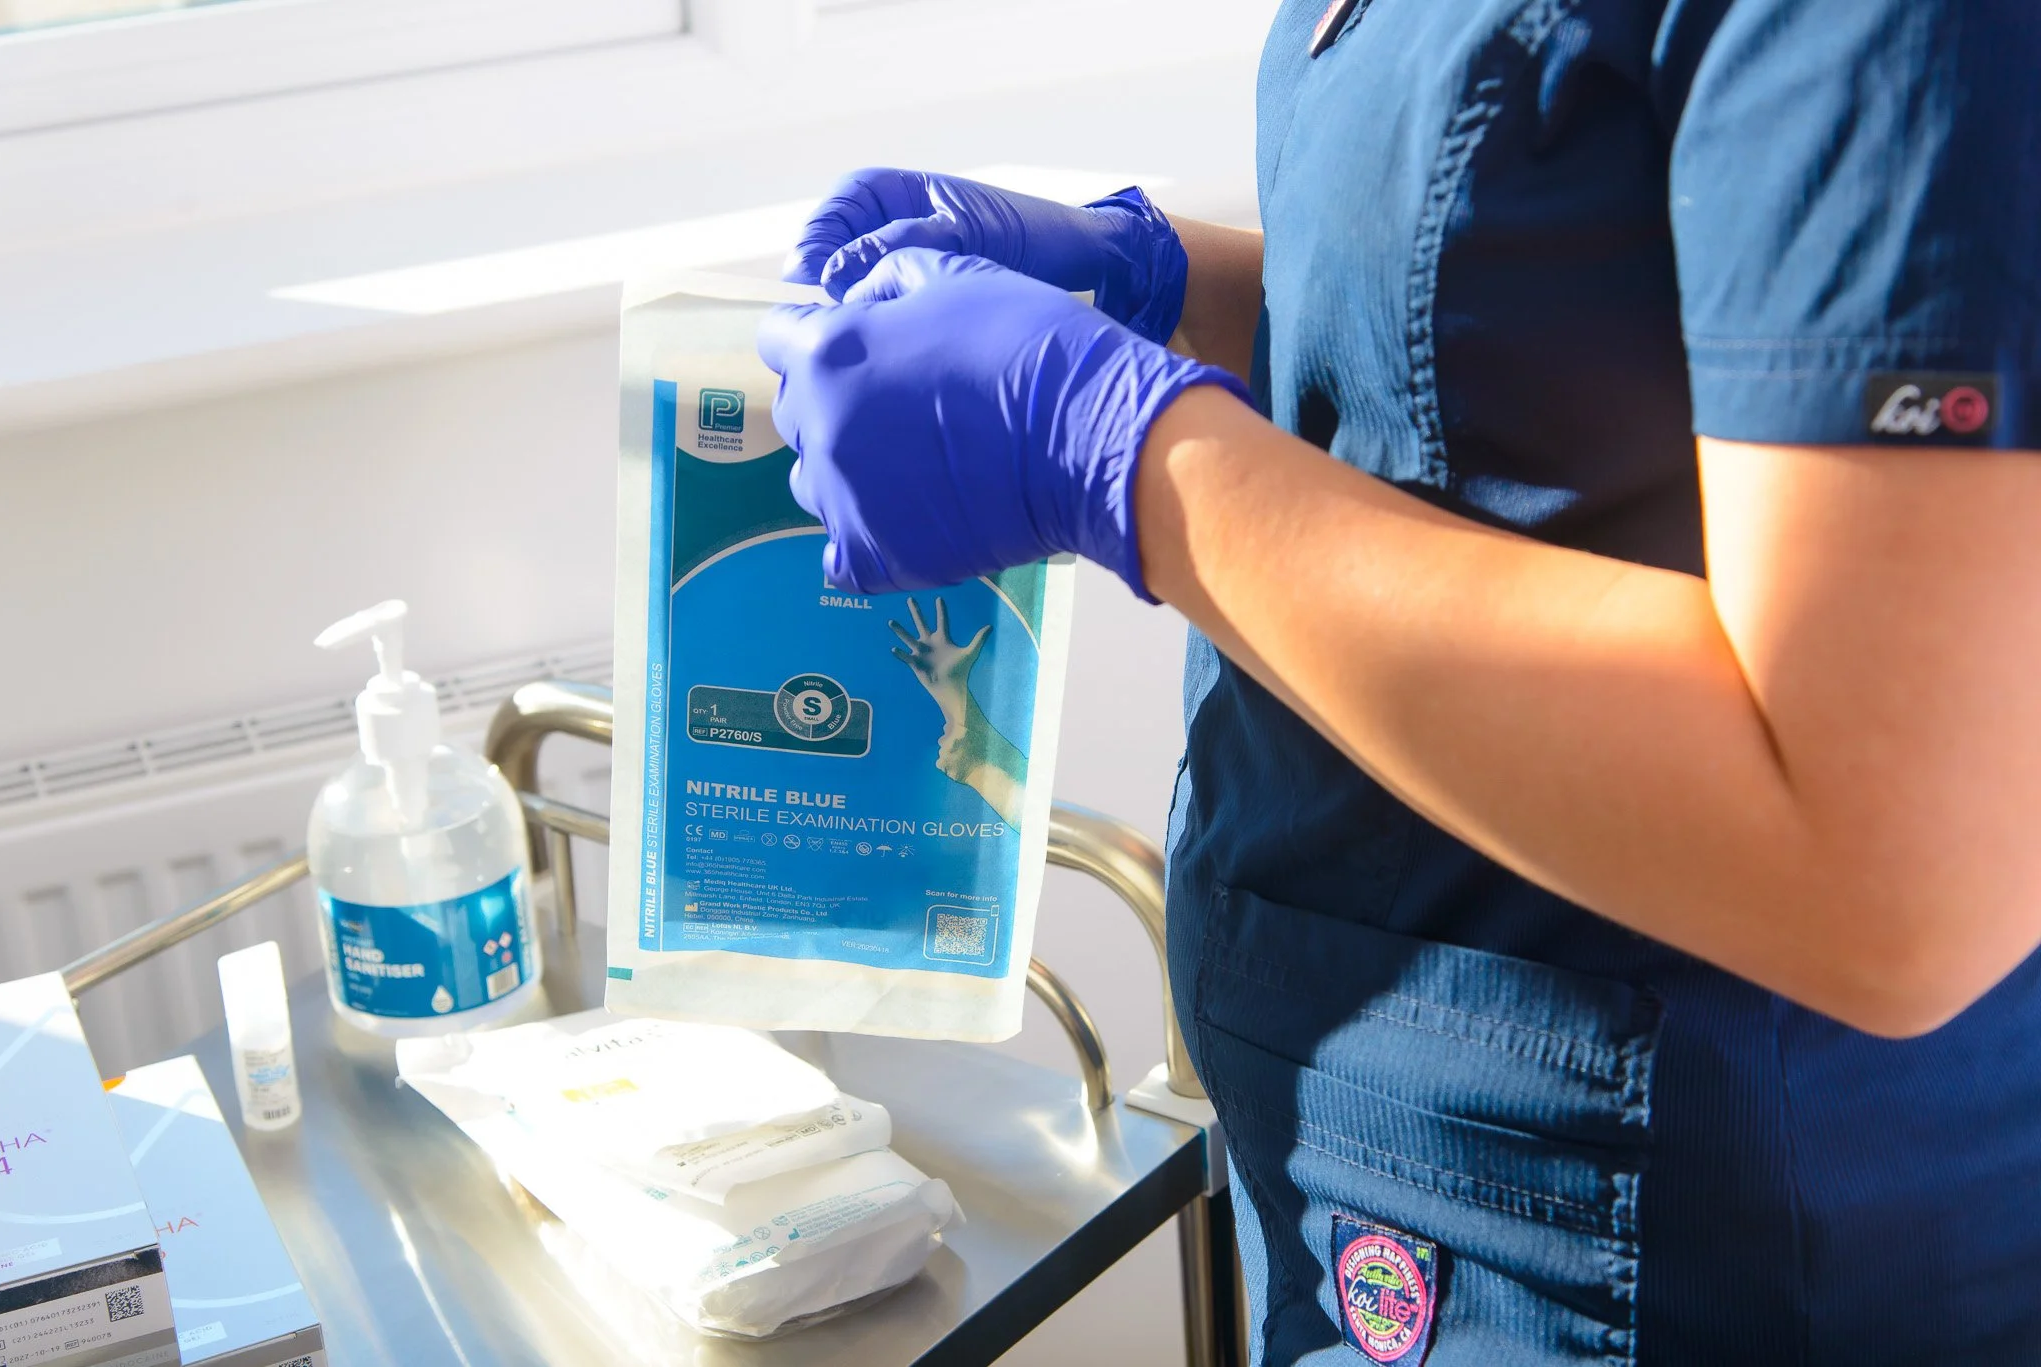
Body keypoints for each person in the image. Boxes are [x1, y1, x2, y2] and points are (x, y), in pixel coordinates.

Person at [756, 0, 2041, 1361]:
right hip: (1376, 1164)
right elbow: (1570, 328)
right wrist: (1165, 287)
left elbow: (1893, 869)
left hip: (1660, 1240)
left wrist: (1123, 457)